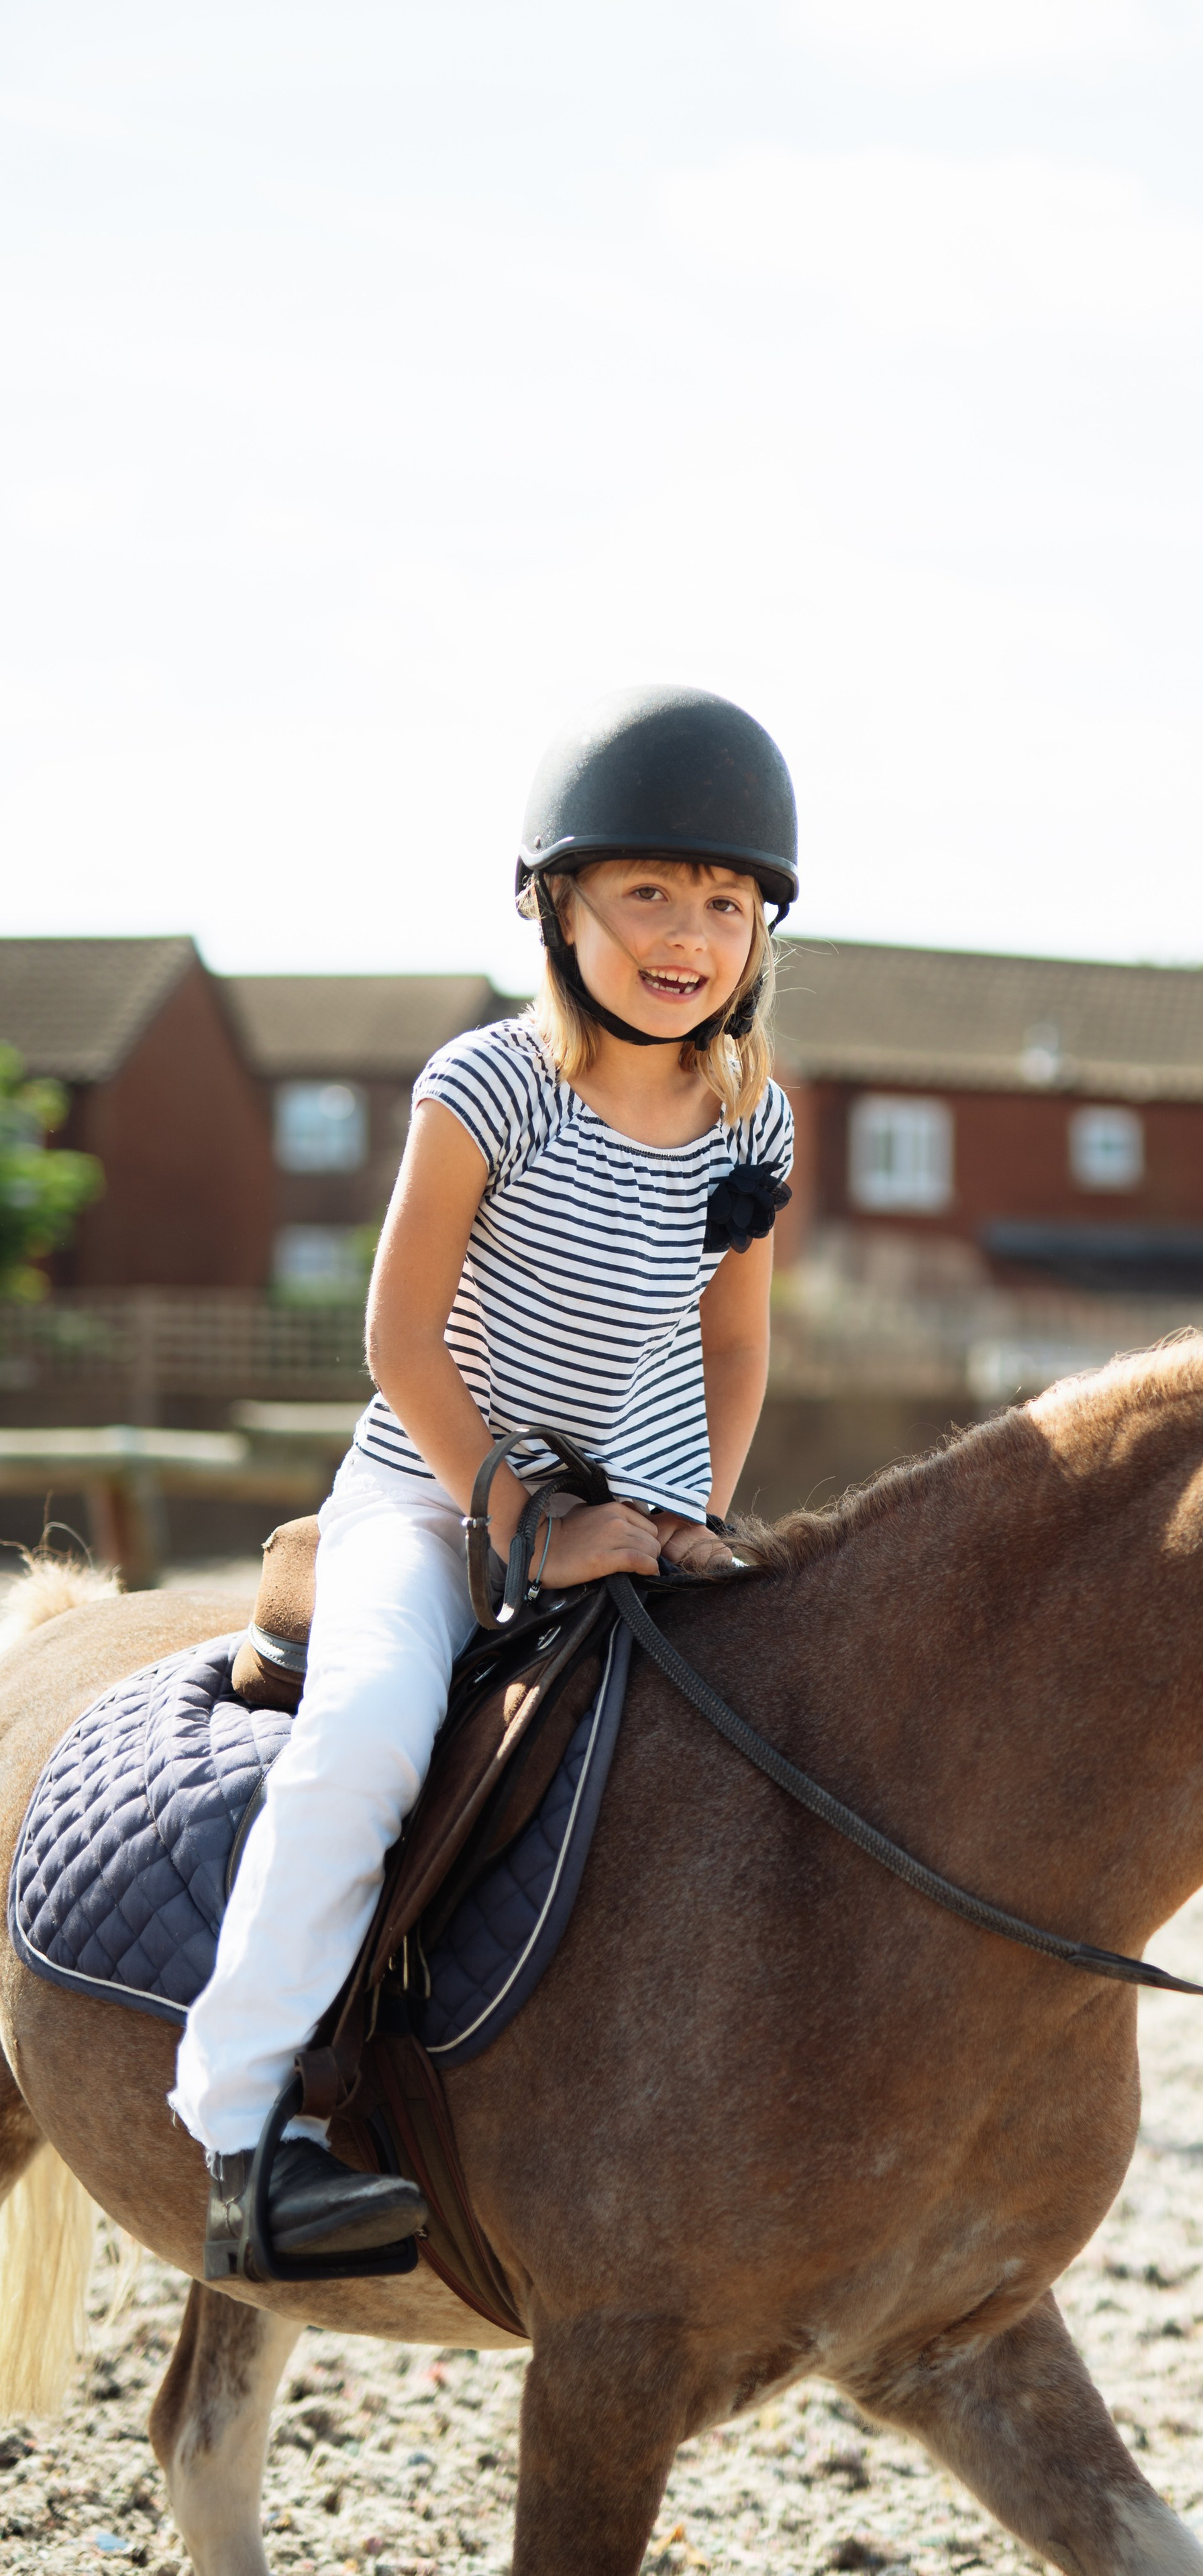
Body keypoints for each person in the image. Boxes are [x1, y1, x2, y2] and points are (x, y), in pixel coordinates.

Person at [172, 684, 798, 2261]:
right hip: (437, 1497)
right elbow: (396, 1336)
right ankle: (243, 2132)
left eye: (723, 902)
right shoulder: (487, 1085)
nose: (688, 933)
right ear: (556, 906)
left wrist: (694, 1515)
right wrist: (528, 1520)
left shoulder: (751, 1121)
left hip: (648, 1515)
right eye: (647, 891)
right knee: (373, 1736)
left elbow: (732, 1346)